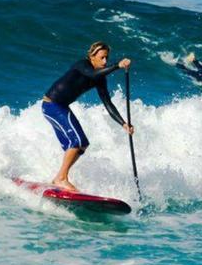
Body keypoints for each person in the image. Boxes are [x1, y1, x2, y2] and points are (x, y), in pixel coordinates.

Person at [42, 41, 134, 191]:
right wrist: (117, 65)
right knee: (77, 141)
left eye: (107, 58)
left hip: (61, 107)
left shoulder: (100, 79)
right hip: (51, 105)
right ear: (92, 57)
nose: (105, 61)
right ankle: (61, 178)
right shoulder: (83, 65)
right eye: (102, 58)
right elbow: (92, 74)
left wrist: (124, 124)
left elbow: (108, 104)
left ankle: (58, 178)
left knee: (82, 145)